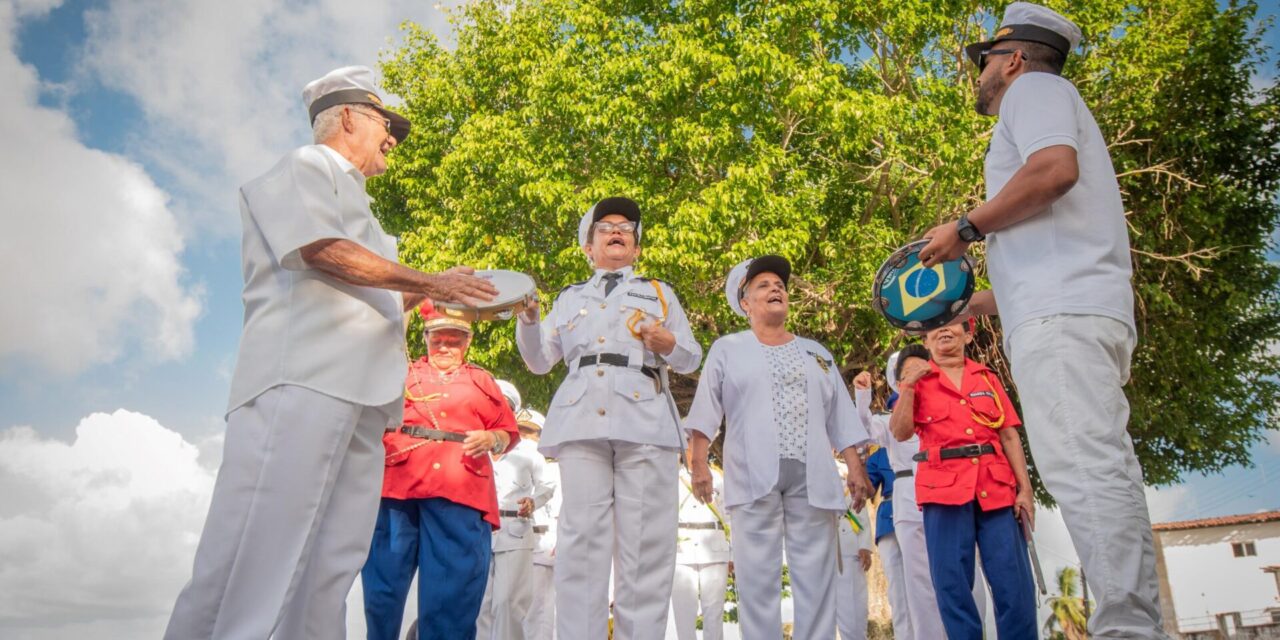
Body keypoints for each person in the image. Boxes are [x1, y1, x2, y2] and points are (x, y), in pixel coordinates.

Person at [164, 65, 496, 640]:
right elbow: (319, 248)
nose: (392, 136)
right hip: (304, 380)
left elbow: (370, 293)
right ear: (346, 118)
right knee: (262, 546)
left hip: (364, 400)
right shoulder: (306, 166)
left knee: (332, 558)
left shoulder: (362, 205)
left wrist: (432, 288)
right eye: (382, 121)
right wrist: (430, 281)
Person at [917, 3, 1168, 636]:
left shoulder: (1035, 90)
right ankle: (1136, 625)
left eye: (985, 62)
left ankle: (1127, 629)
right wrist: (957, 303)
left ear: (1014, 59)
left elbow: (1054, 171)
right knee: (1096, 465)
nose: (979, 75)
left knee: (1085, 468)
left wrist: (967, 227)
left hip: (1064, 317)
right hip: (1064, 307)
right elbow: (1034, 265)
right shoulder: (1046, 97)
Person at [516, 196, 703, 640]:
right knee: (581, 542)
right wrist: (528, 320)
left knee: (645, 544)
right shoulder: (568, 298)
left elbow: (691, 357)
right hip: (581, 419)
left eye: (626, 228)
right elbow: (540, 361)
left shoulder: (659, 292)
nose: (617, 231)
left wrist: (666, 341)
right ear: (588, 245)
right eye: (605, 226)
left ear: (636, 249)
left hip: (645, 419)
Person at [685, 255, 873, 640]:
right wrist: (699, 462)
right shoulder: (727, 348)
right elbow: (706, 410)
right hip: (753, 473)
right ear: (745, 303)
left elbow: (840, 413)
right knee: (757, 579)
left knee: (817, 578)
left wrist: (855, 467)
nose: (776, 289)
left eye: (780, 285)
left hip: (813, 477)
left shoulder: (816, 352)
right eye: (763, 286)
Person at [362, 307, 520, 640]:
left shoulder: (482, 381)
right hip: (397, 486)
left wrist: (492, 438)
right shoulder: (401, 371)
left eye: (454, 340)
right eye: (438, 340)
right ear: (425, 339)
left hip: (461, 489)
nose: (445, 347)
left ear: (468, 342)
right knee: (383, 587)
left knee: (453, 593)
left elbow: (507, 432)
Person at [889, 319, 1036, 640]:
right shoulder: (919, 381)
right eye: (935, 327)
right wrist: (908, 386)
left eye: (953, 324)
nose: (944, 330)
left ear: (968, 334)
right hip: (942, 490)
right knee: (951, 584)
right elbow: (900, 432)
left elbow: (1009, 436)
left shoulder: (987, 378)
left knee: (1013, 581)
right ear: (925, 341)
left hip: (996, 488)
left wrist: (1025, 489)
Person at [854, 349, 947, 640]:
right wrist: (862, 397)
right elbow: (864, 427)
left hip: (945, 492)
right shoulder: (889, 421)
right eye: (906, 372)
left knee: (952, 573)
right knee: (914, 583)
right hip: (905, 499)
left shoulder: (945, 407)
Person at [477, 390, 556, 640]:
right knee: (479, 603)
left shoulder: (529, 453)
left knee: (508, 603)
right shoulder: (474, 446)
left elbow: (548, 486)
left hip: (515, 529)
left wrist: (534, 501)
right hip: (479, 529)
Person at [669, 461, 731, 640]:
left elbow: (729, 517)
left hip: (714, 548)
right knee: (683, 616)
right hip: (682, 551)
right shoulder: (673, 475)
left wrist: (732, 554)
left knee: (714, 614)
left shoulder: (718, 475)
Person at [863, 444, 912, 639]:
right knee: (897, 589)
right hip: (889, 519)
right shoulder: (879, 455)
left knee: (924, 584)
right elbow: (867, 488)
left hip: (919, 513)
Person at [519, 410, 560, 640]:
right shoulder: (506, 464)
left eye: (530, 432)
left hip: (542, 548)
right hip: (509, 544)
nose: (524, 437)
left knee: (540, 617)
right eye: (520, 431)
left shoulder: (555, 468)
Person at [835, 459, 875, 640]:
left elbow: (859, 509)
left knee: (854, 611)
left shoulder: (847, 469)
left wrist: (864, 545)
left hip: (848, 548)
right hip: (817, 550)